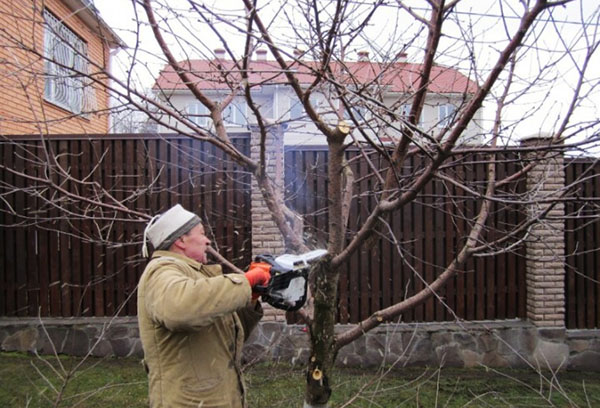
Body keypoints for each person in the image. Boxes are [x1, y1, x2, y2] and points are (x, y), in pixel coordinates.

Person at [137, 204, 271, 407]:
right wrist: (244, 281)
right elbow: (180, 311)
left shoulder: (193, 275)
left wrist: (248, 297)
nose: (207, 240)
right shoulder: (161, 271)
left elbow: (224, 334)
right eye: (202, 233)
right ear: (181, 240)